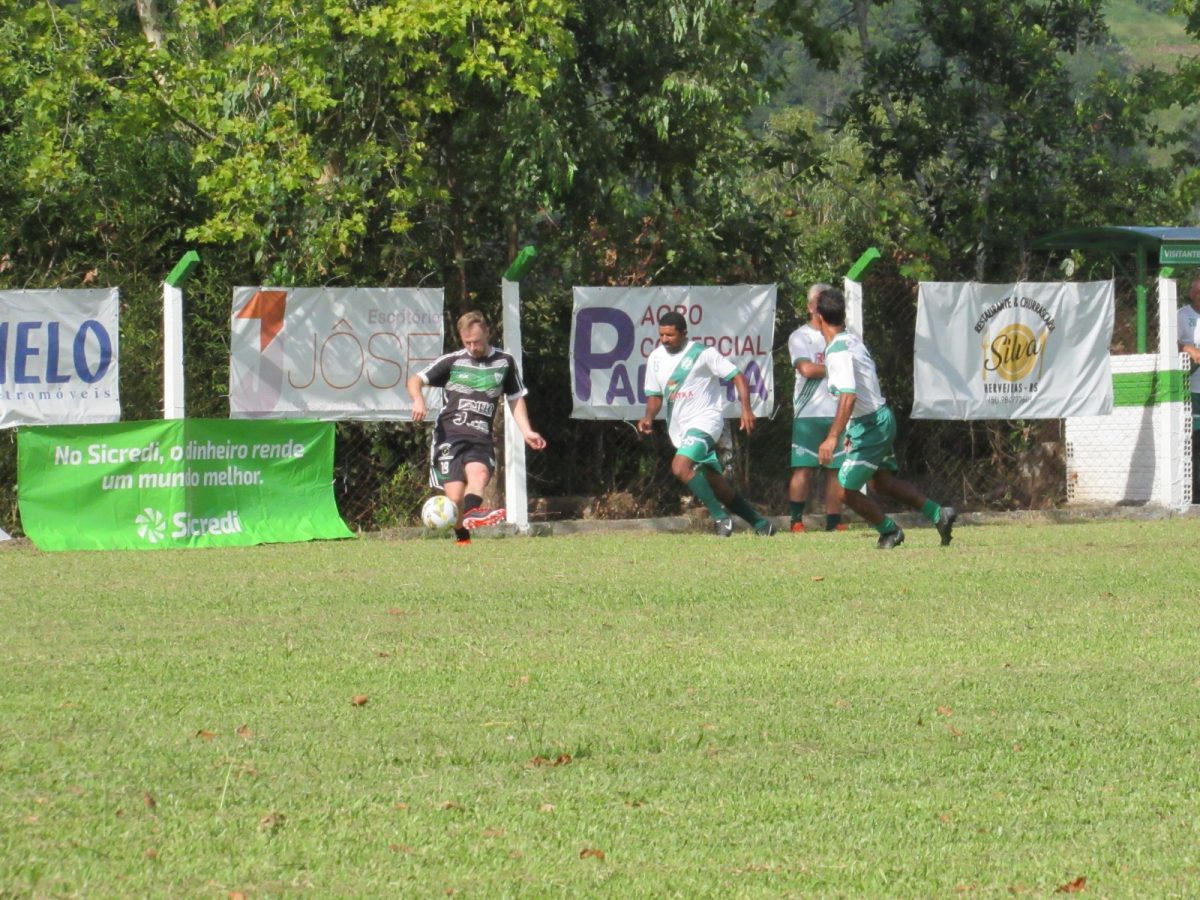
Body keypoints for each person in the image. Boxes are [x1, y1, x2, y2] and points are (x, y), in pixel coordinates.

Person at [812, 286, 956, 549]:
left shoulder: (837, 351)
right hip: (878, 419)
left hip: (872, 426)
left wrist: (832, 437)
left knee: (844, 490)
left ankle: (889, 531)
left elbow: (849, 395)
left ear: (819, 318)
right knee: (883, 482)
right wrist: (850, 430)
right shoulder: (851, 340)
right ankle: (938, 513)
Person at [408, 310, 546, 545]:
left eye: (477, 341)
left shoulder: (504, 362)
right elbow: (415, 380)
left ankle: (472, 516)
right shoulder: (453, 361)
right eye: (467, 342)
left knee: (479, 474)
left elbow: (515, 397)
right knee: (454, 497)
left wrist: (527, 431)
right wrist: (418, 399)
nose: (472, 347)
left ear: (488, 333)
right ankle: (462, 534)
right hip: (449, 436)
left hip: (480, 435)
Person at [637, 310, 776, 537]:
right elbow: (654, 395)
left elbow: (737, 376)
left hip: (706, 421)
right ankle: (762, 525)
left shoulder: (703, 354)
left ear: (684, 333)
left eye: (670, 335)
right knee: (718, 485)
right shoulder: (655, 358)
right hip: (680, 429)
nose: (664, 340)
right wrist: (648, 416)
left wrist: (746, 409)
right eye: (661, 335)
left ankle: (721, 519)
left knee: (680, 467)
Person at [787, 283, 847, 533]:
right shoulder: (800, 336)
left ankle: (834, 522)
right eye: (820, 300)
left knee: (836, 470)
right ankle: (796, 521)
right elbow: (807, 369)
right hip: (809, 413)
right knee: (805, 468)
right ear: (811, 306)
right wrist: (837, 368)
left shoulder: (842, 336)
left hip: (838, 410)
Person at [1178, 277, 1200, 501]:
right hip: (1191, 388)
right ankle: (1192, 495)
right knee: (1192, 442)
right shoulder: (1182, 316)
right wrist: (1187, 348)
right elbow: (1168, 343)